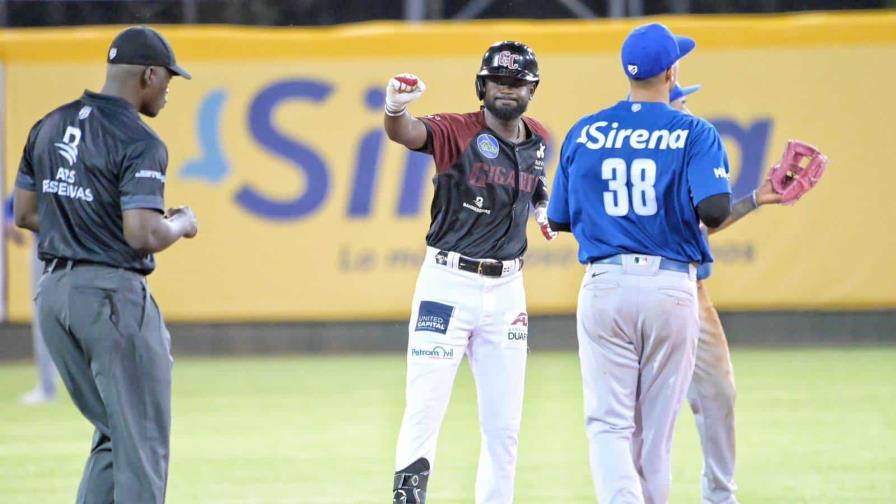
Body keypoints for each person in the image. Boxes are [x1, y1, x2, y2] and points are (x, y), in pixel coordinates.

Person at [547, 23, 732, 503]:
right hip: (670, 287)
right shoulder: (692, 130)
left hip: (605, 284)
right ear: (671, 71)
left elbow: (560, 218)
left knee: (609, 423)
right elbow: (714, 209)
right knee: (656, 430)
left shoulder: (586, 130)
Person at [12, 26, 196, 503]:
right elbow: (142, 234)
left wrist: (82, 224)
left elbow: (27, 213)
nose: (168, 90)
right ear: (148, 75)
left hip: (54, 299)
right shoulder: (139, 139)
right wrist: (181, 224)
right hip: (111, 299)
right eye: (168, 81)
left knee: (115, 434)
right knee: (143, 444)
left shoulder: (48, 125)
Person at [383, 41, 556, 504]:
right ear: (482, 85)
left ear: (531, 89)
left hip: (507, 291)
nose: (507, 89)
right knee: (424, 413)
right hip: (448, 283)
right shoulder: (457, 131)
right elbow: (406, 133)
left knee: (504, 430)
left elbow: (536, 182)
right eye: (499, 80)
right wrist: (394, 107)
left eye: (516, 82)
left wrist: (542, 207)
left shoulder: (537, 138)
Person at [669, 82, 787, 504]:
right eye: (682, 99)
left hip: (692, 289)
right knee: (644, 409)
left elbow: (705, 220)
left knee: (719, 392)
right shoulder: (665, 151)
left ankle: (720, 496)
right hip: (654, 288)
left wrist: (756, 198)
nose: (688, 105)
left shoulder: (688, 148)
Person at [4, 193, 58, 404]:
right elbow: (14, 202)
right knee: (43, 316)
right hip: (45, 248)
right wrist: (9, 220)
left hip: (83, 248)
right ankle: (47, 386)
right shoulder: (41, 161)